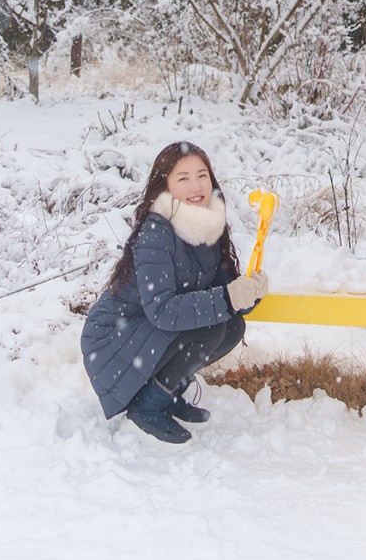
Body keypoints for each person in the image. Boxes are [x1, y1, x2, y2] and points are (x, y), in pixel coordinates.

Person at [81, 141, 268, 444]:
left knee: (232, 326)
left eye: (202, 175)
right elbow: (163, 310)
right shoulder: (157, 232)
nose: (196, 186)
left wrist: (249, 293)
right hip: (112, 337)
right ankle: (148, 406)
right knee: (210, 327)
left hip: (144, 332)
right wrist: (228, 297)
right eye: (183, 178)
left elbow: (223, 292)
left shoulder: (207, 224)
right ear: (164, 186)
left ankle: (162, 391)